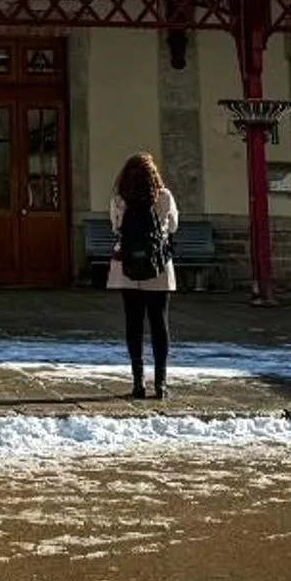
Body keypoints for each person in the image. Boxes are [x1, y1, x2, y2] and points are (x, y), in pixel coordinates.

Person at [109, 150, 179, 400]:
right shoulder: (164, 197)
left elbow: (115, 225)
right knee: (159, 322)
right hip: (158, 266)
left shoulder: (120, 199)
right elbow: (173, 227)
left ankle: (138, 381)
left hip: (127, 267)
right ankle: (161, 382)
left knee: (133, 323)